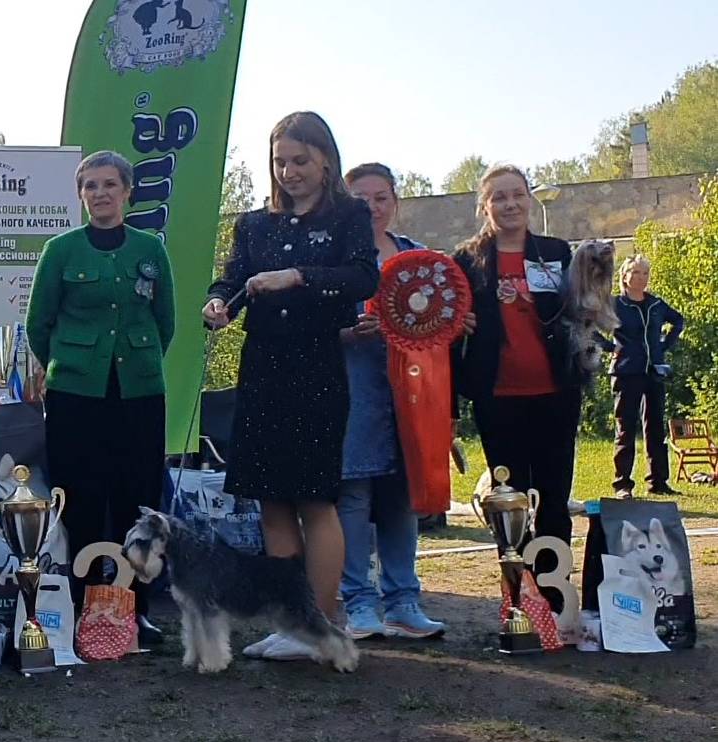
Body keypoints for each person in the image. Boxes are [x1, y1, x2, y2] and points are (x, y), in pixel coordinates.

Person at [204, 112, 378, 661]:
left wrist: (299, 276)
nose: (289, 172)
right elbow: (232, 276)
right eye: (280, 162)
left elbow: (362, 277)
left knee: (315, 499)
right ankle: (290, 621)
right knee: (272, 502)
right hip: (262, 369)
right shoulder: (255, 224)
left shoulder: (350, 214)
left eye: (300, 160)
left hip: (318, 368)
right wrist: (217, 301)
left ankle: (322, 624)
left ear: (325, 158)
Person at [26, 150, 175, 642]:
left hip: (138, 392)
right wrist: (68, 363)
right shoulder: (61, 250)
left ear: (128, 192)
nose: (101, 193)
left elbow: (165, 322)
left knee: (138, 501)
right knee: (82, 499)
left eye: (111, 184)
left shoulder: (150, 248)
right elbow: (38, 325)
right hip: (75, 394)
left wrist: (138, 358)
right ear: (81, 195)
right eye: (91, 186)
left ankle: (136, 610)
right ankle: (86, 604)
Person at [337, 163, 460, 640]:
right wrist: (347, 331)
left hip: (412, 398)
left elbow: (441, 318)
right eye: (361, 198)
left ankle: (403, 600)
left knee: (403, 498)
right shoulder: (337, 258)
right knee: (353, 495)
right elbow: (309, 327)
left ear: (395, 201)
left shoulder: (419, 258)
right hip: (354, 394)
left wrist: (454, 325)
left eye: (381, 197)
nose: (372, 206)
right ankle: (358, 602)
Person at [450, 164, 580, 609]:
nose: (510, 204)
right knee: (512, 507)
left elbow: (580, 311)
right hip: (497, 398)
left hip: (556, 394)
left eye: (517, 195)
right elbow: (451, 334)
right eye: (499, 197)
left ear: (530, 199)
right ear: (485, 207)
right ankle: (521, 603)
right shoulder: (465, 261)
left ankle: (557, 600)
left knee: (555, 500)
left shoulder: (556, 251)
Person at [603, 255, 684, 498]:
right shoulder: (615, 304)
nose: (641, 278)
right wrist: (610, 347)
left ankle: (658, 481)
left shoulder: (656, 304)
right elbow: (587, 324)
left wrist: (663, 347)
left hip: (654, 371)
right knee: (626, 429)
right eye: (636, 273)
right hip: (626, 372)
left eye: (645, 273)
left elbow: (678, 321)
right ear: (625, 277)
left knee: (656, 428)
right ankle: (623, 484)